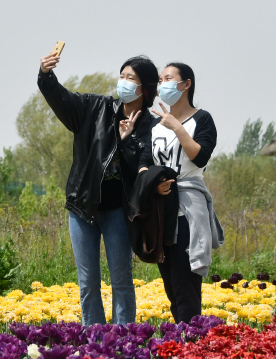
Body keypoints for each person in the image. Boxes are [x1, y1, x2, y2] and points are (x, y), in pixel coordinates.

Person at [38, 51, 159, 326]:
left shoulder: (151, 127)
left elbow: (143, 169)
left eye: (131, 78)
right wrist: (46, 76)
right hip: (83, 206)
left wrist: (126, 141)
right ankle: (94, 341)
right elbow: (62, 100)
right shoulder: (95, 108)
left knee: (121, 279)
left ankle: (123, 339)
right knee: (88, 281)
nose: (124, 82)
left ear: (145, 88)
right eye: (122, 76)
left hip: (119, 210)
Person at [138, 62, 224, 323]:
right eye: (160, 79)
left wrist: (177, 127)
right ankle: (182, 345)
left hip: (187, 213)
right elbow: (143, 163)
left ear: (186, 84)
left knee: (186, 288)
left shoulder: (202, 119)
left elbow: (200, 158)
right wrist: (154, 182)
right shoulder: (155, 125)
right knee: (172, 291)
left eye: (168, 78)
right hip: (162, 212)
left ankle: (192, 347)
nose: (162, 84)